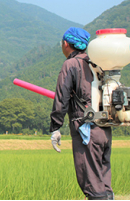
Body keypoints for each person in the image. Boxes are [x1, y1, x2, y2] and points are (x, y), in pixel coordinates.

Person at [49, 27, 114, 200]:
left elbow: (61, 99)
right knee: (103, 182)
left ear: (65, 44)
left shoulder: (70, 64)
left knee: (92, 184)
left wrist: (55, 127)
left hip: (86, 131)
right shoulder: (97, 64)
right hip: (104, 130)